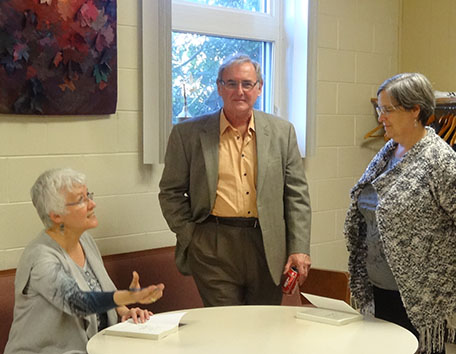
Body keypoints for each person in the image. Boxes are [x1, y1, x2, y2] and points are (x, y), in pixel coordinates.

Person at [344, 73, 456, 354]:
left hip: (419, 290)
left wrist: (441, 252)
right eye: (379, 109)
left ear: (415, 110)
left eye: (388, 109)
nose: (381, 117)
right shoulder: (387, 153)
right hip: (378, 284)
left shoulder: (441, 161)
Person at [159, 54, 311, 307]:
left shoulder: (282, 132)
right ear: (220, 87)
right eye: (231, 83)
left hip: (267, 245)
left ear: (259, 88)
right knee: (225, 328)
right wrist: (192, 236)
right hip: (213, 244)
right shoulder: (187, 134)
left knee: (265, 327)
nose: (239, 91)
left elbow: (297, 195)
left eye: (247, 83)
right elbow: (170, 193)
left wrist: (299, 247)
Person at [4, 168, 165, 354]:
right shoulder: (41, 258)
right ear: (56, 215)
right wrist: (129, 295)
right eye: (82, 200)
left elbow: (101, 291)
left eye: (88, 195)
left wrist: (124, 311)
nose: (92, 204)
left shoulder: (85, 240)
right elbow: (78, 302)